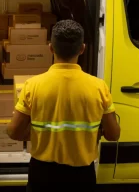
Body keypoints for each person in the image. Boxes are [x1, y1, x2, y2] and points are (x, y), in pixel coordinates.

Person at [7, 19, 120, 192]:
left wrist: (39, 135)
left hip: (42, 174)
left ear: (51, 48)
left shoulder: (32, 85)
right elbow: (113, 134)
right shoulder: (99, 87)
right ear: (82, 49)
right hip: (82, 176)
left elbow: (13, 131)